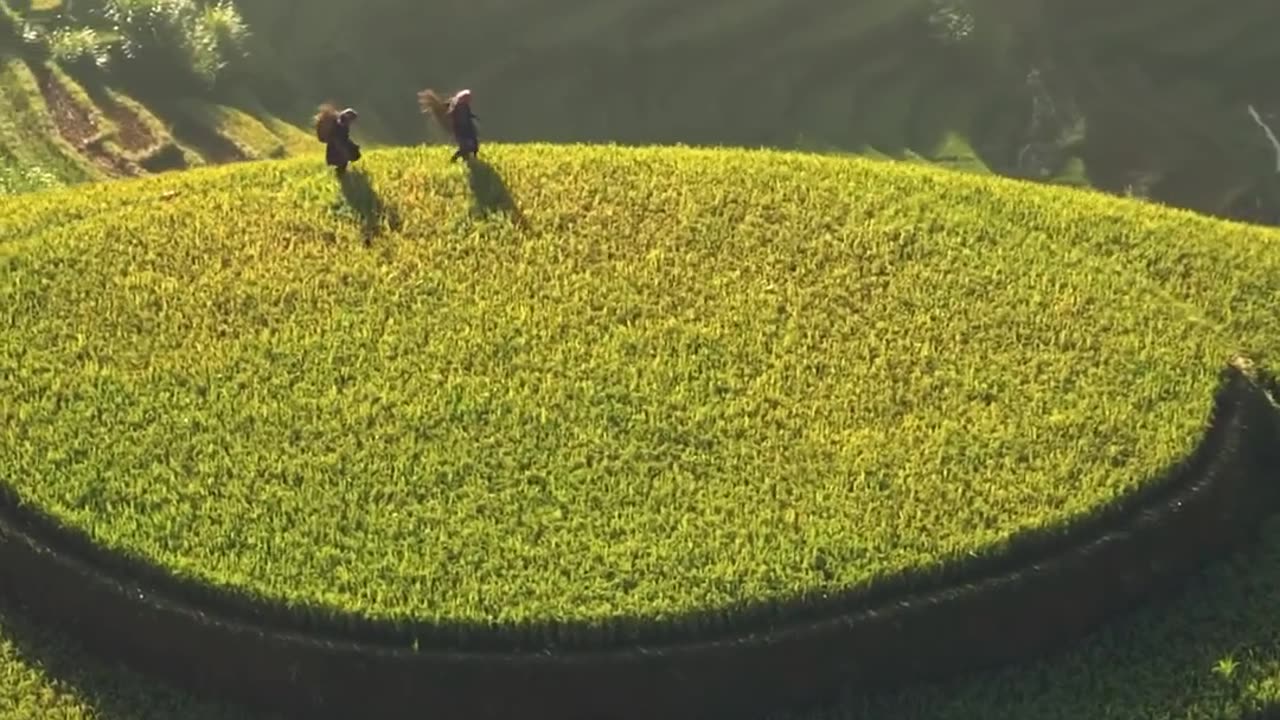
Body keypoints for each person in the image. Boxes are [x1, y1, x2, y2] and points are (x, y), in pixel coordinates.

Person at [417, 88, 479, 162]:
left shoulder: (464, 107)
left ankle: (468, 159)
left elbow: (466, 117)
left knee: (473, 146)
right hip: (461, 133)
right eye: (468, 98)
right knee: (466, 147)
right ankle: (454, 159)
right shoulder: (457, 108)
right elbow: (459, 120)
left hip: (467, 132)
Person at [315, 104, 362, 175]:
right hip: (337, 149)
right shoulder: (342, 124)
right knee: (341, 165)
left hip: (335, 148)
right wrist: (349, 149)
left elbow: (342, 137)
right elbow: (340, 138)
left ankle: (341, 175)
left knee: (341, 165)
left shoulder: (339, 121)